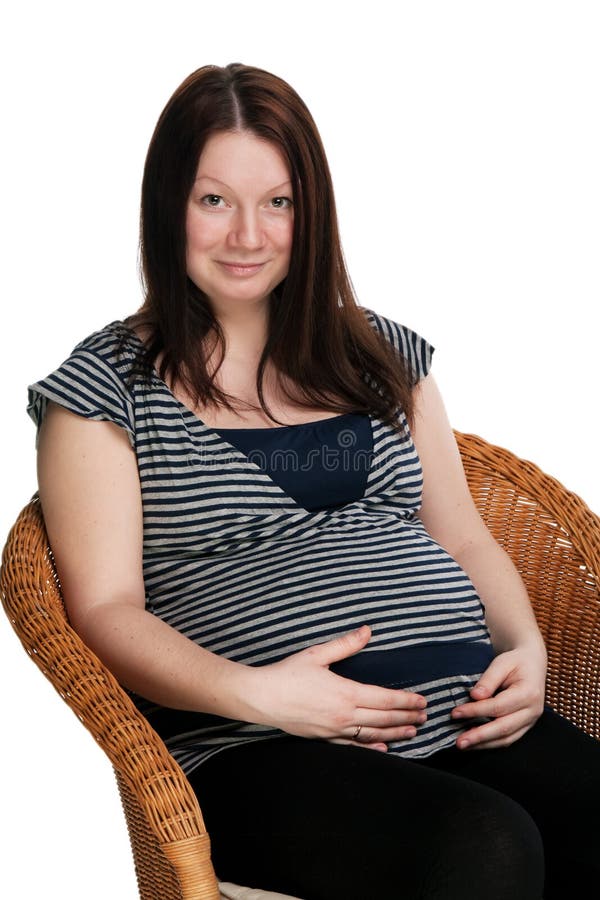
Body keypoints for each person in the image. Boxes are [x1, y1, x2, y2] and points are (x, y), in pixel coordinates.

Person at [28, 63, 598, 900]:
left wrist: (527, 651)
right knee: (483, 846)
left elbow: (465, 534)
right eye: (213, 199)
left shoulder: (381, 354)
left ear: (311, 212)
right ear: (167, 208)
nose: (248, 236)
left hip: (466, 711)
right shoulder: (104, 386)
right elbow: (105, 609)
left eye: (279, 203)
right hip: (258, 744)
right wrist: (261, 696)